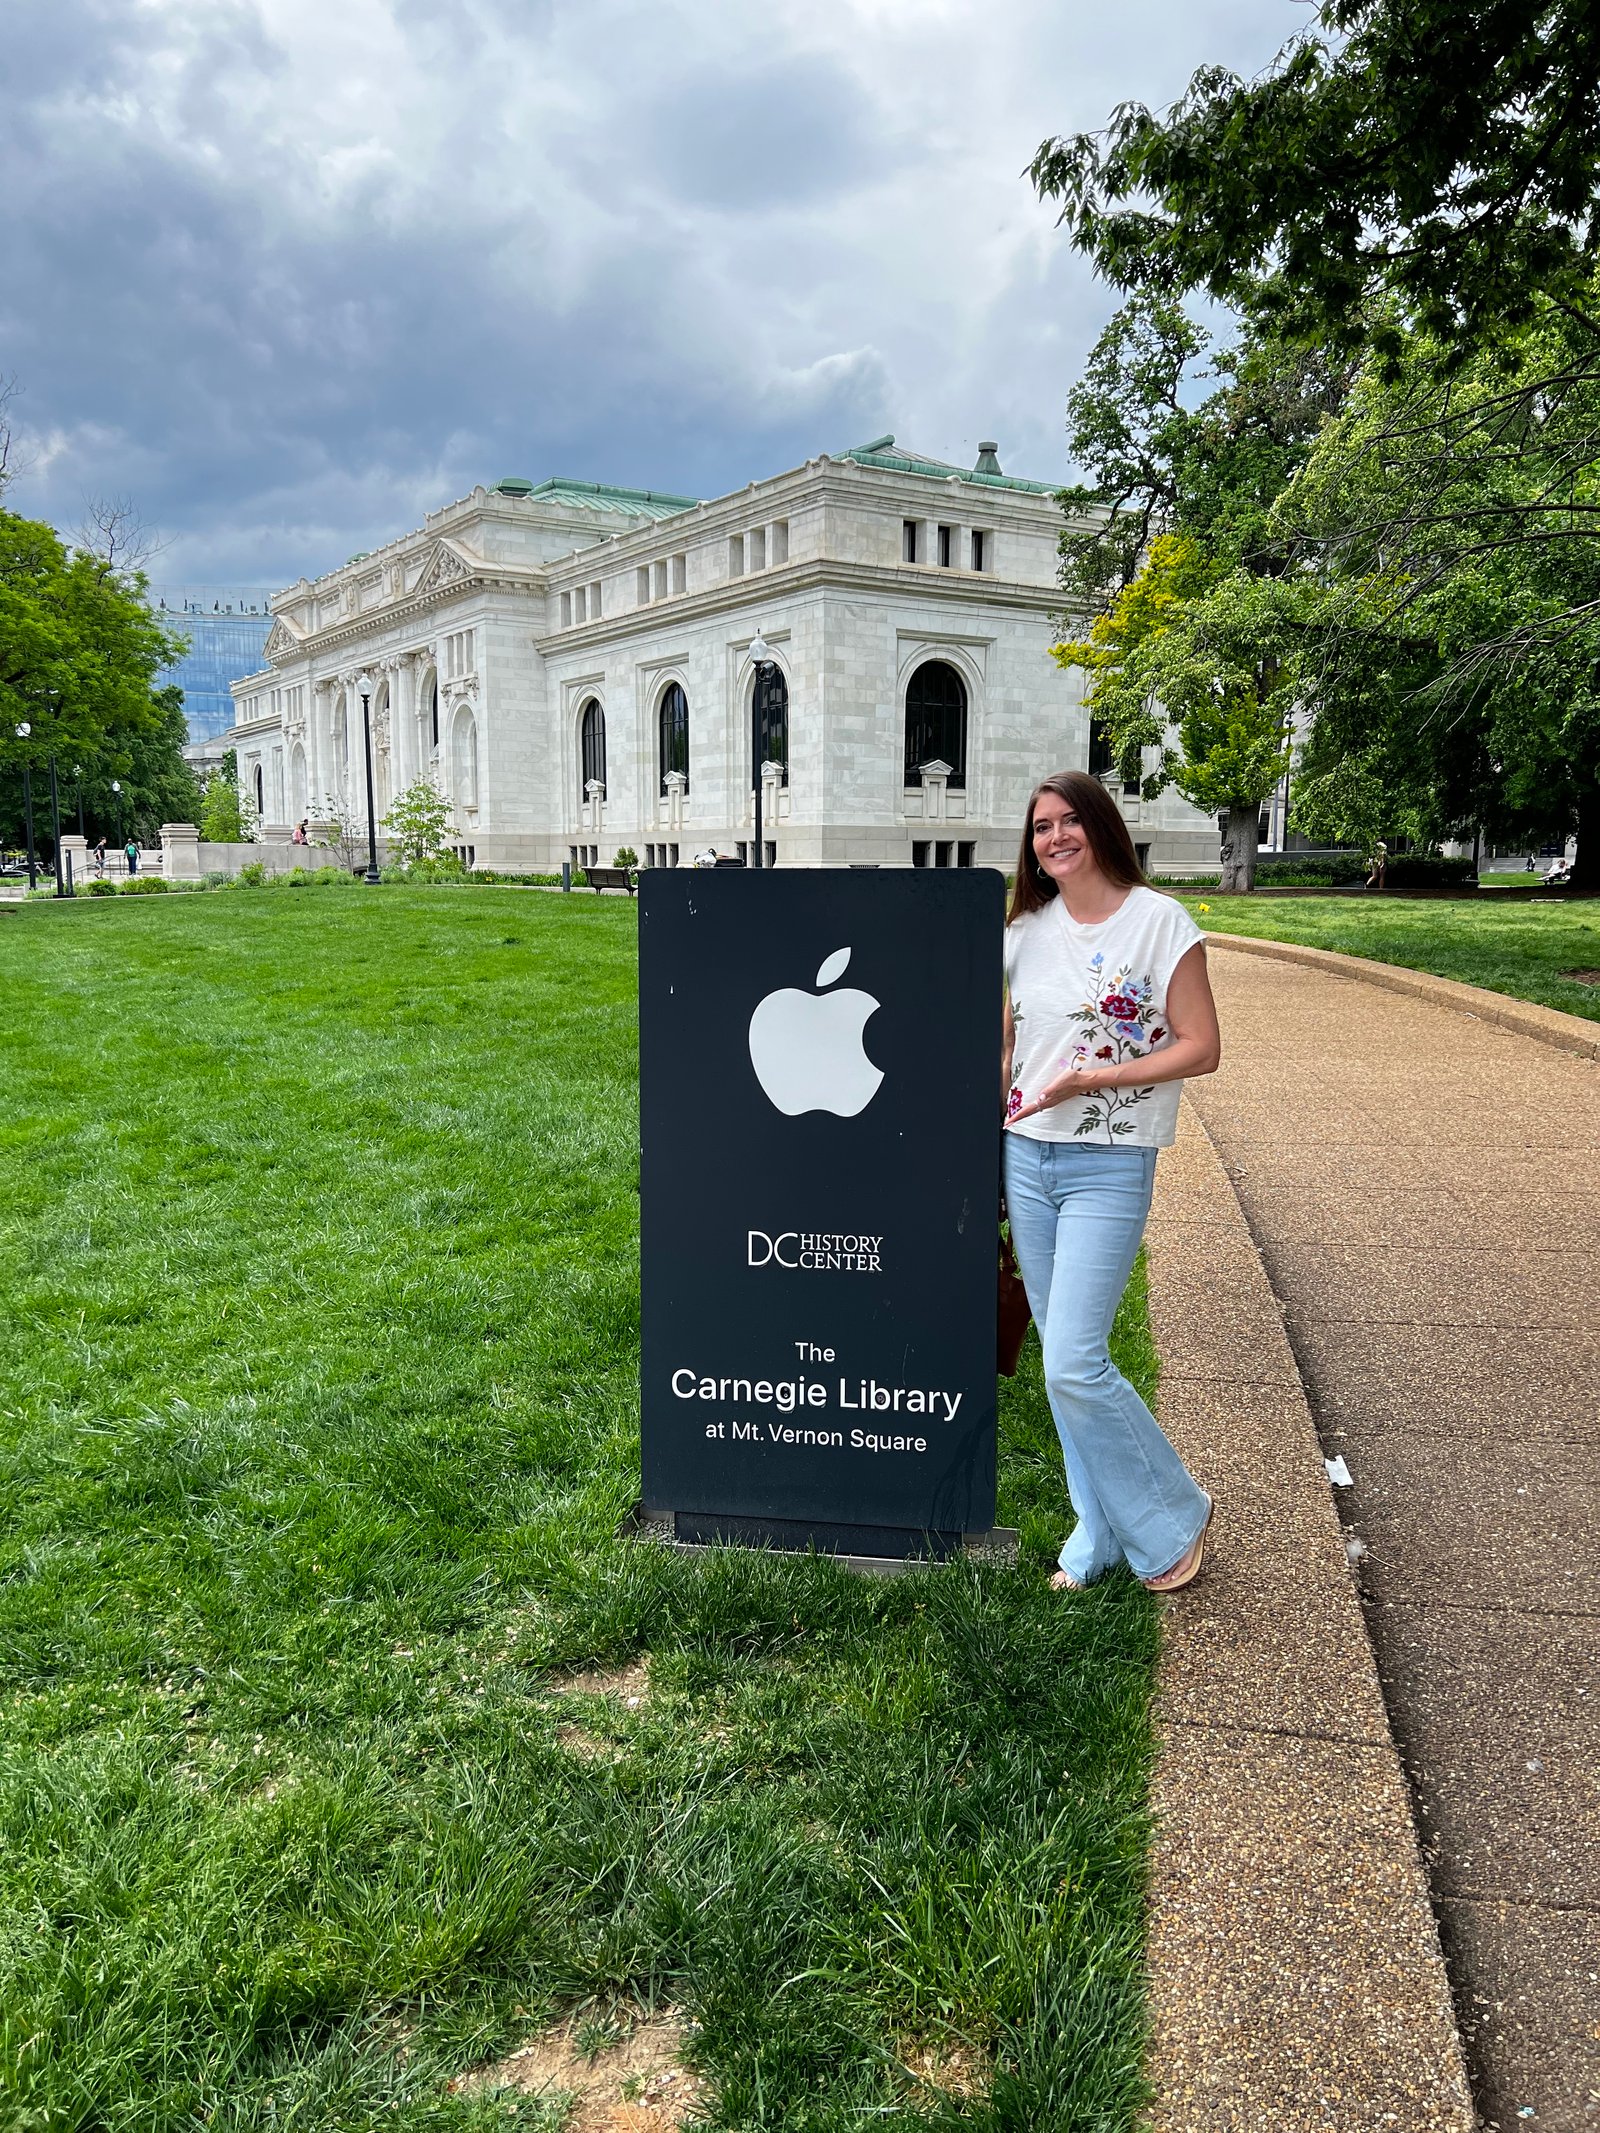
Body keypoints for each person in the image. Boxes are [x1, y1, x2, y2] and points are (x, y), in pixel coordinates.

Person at [1002, 770, 1222, 1594]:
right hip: (1027, 1155)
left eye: (1068, 822)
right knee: (1064, 1362)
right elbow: (1007, 1048)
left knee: (1075, 1360)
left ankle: (1173, 1517)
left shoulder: (1160, 923)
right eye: (1040, 828)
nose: (1054, 838)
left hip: (1110, 1160)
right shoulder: (1022, 930)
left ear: (1099, 825)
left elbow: (1201, 1045)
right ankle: (1093, 1536)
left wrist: (1095, 1079)